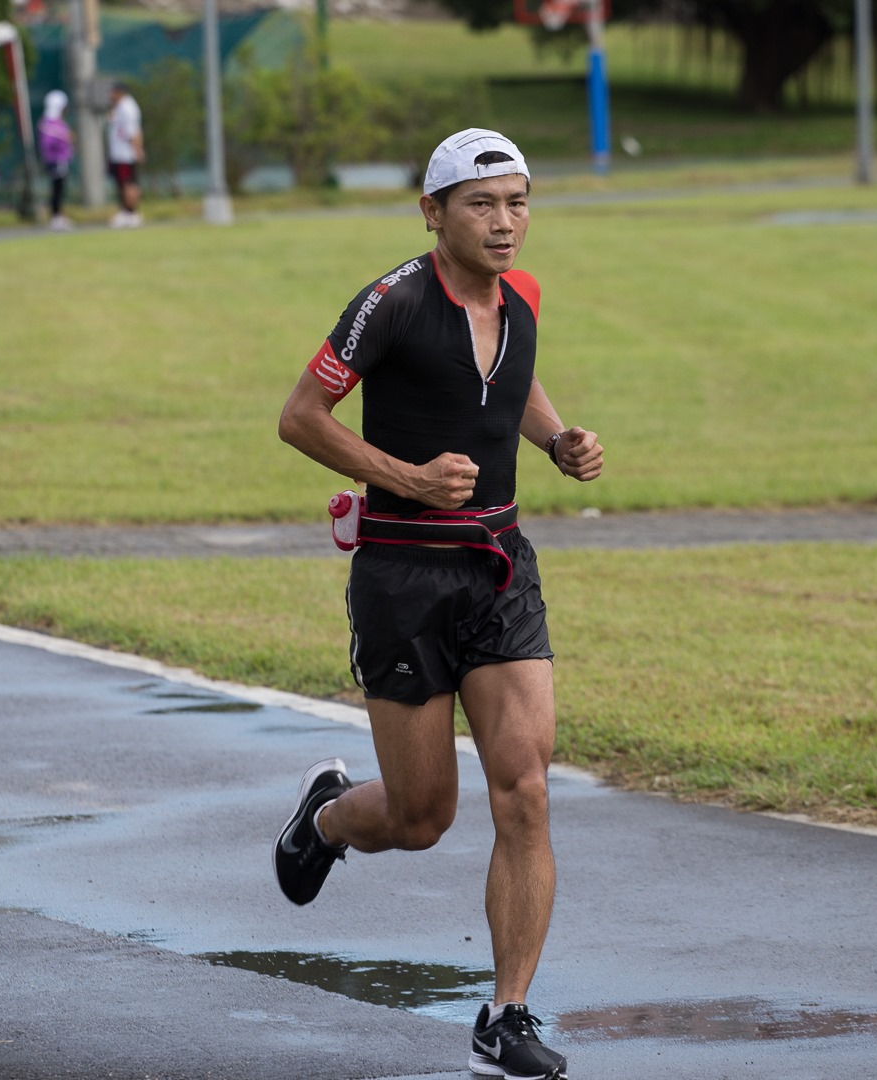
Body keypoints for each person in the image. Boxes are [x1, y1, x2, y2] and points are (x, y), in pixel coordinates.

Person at [273, 128, 602, 1080]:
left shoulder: (524, 295)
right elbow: (301, 417)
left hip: (498, 567)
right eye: (482, 204)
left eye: (519, 202)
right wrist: (407, 478)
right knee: (422, 817)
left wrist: (554, 439)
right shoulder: (394, 301)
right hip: (403, 578)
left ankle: (506, 1017)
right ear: (434, 213)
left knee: (526, 790)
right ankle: (326, 818)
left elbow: (511, 374)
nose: (506, 223)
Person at [105, 82, 144, 228]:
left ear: (119, 92)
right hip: (119, 153)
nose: (110, 96)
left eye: (113, 92)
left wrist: (137, 149)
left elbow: (133, 131)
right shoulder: (120, 107)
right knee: (123, 183)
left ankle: (131, 212)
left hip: (125, 154)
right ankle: (127, 212)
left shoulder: (128, 108)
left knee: (127, 183)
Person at [37, 90, 76, 231]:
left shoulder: (54, 122)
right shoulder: (50, 123)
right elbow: (48, 143)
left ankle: (57, 214)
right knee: (57, 188)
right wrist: (65, 138)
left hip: (61, 159)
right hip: (56, 160)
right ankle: (56, 216)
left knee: (59, 188)